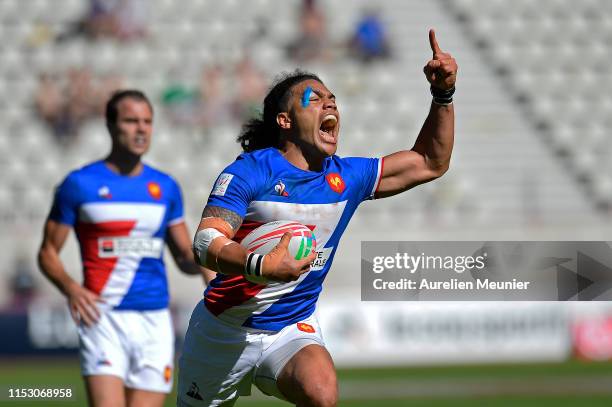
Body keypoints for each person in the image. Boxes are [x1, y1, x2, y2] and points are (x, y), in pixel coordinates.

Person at [178, 29, 457, 406]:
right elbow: (205, 242)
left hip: (291, 328)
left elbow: (429, 162)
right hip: (222, 331)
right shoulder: (251, 172)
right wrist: (261, 265)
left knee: (321, 392)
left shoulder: (347, 177)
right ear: (285, 121)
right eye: (314, 99)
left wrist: (443, 96)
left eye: (333, 99)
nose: (330, 104)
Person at [37, 89, 215, 407]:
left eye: (147, 121)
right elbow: (47, 252)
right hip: (102, 317)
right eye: (132, 121)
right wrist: (70, 289)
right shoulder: (79, 184)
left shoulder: (165, 187)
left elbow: (185, 256)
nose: (141, 129)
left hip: (155, 320)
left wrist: (211, 276)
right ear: (110, 125)